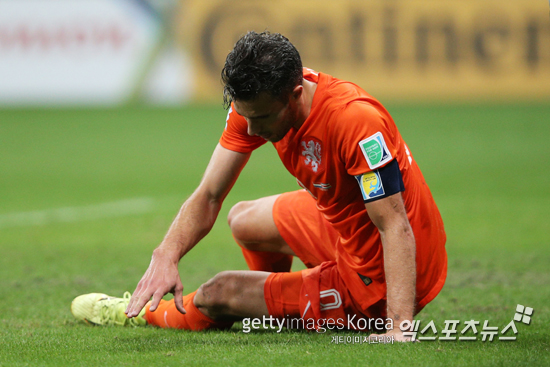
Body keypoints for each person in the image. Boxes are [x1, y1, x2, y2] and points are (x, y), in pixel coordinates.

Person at [71, 31, 447, 341]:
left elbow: (394, 224)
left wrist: (399, 327)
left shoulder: (354, 121)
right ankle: (287, 307)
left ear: (295, 95)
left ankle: (141, 314)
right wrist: (166, 254)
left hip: (384, 273)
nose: (251, 130)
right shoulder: (256, 103)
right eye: (245, 115)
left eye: (262, 118)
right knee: (243, 219)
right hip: (346, 230)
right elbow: (210, 195)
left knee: (221, 293)